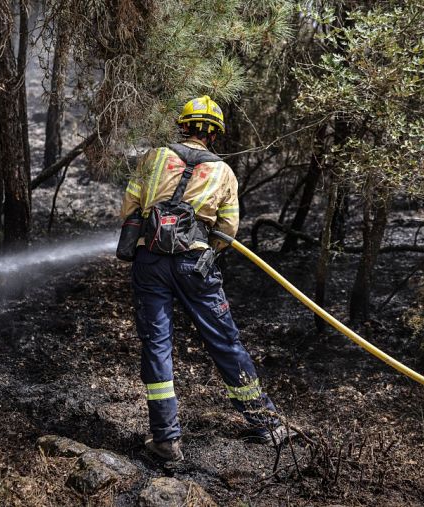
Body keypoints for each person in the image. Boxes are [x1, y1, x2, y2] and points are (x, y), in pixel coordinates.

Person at [120, 96, 291, 462]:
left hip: (149, 262)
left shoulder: (153, 157)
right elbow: (227, 230)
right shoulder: (224, 172)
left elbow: (129, 207)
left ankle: (166, 440)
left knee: (156, 345)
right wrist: (203, 249)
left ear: (183, 126)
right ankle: (266, 423)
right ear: (213, 135)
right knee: (224, 341)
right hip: (196, 265)